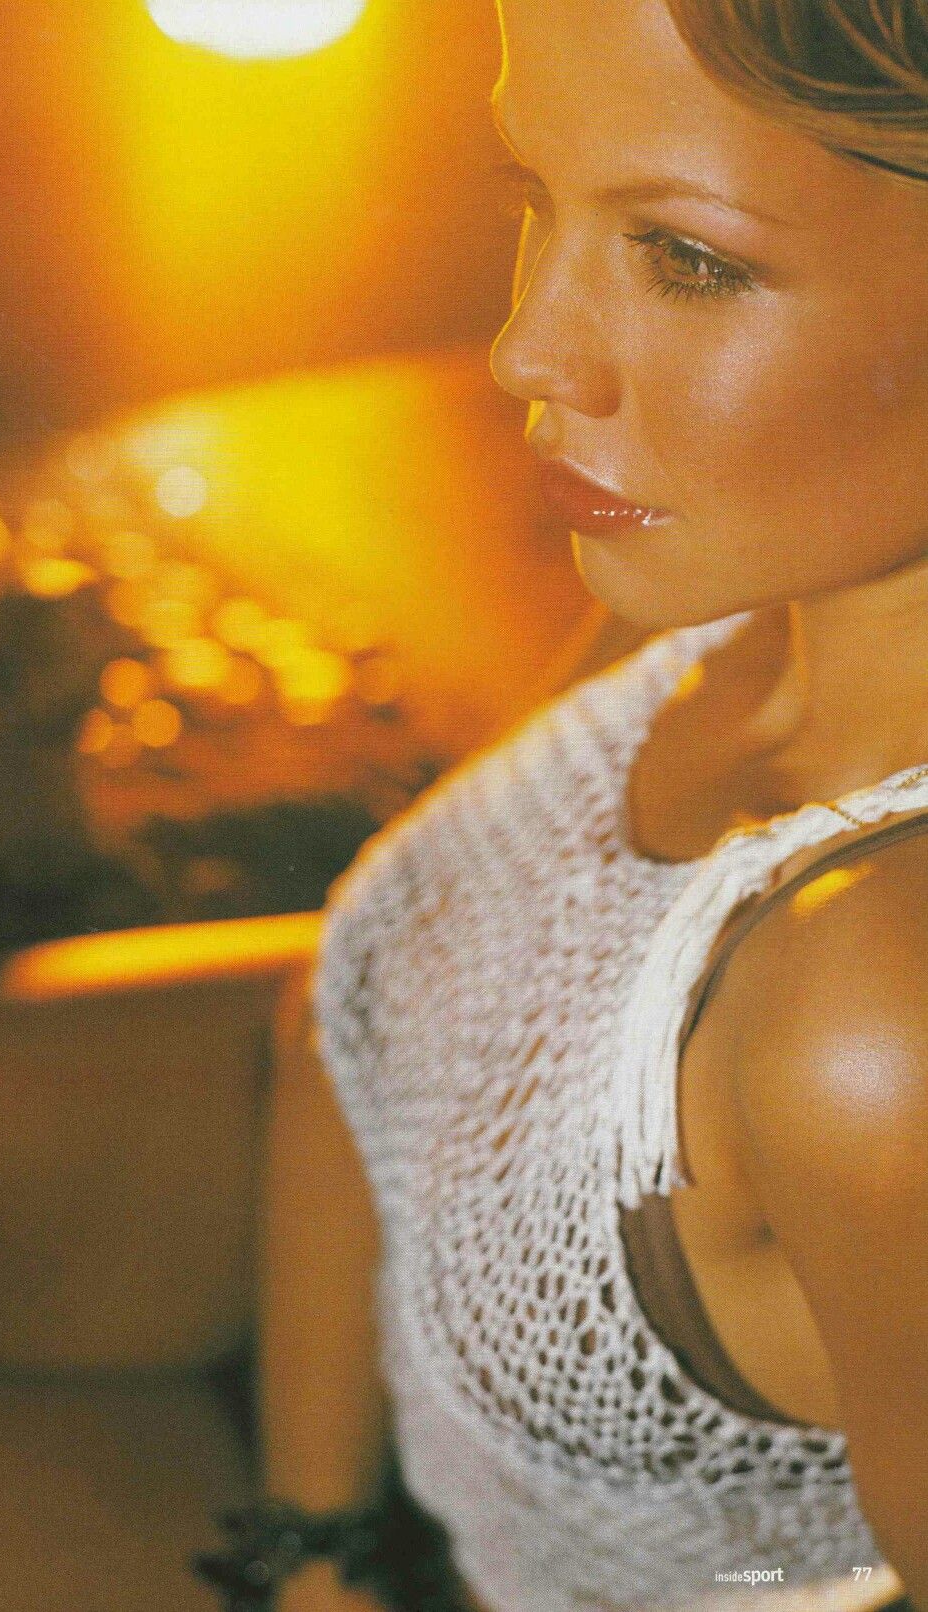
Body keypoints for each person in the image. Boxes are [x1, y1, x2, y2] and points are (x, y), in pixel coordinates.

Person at [255, 2, 928, 1609]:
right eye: (531, 196)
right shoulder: (707, 589)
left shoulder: (873, 1021)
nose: (526, 352)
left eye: (686, 257)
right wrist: (307, 1552)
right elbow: (359, 1007)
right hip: (343, 1440)